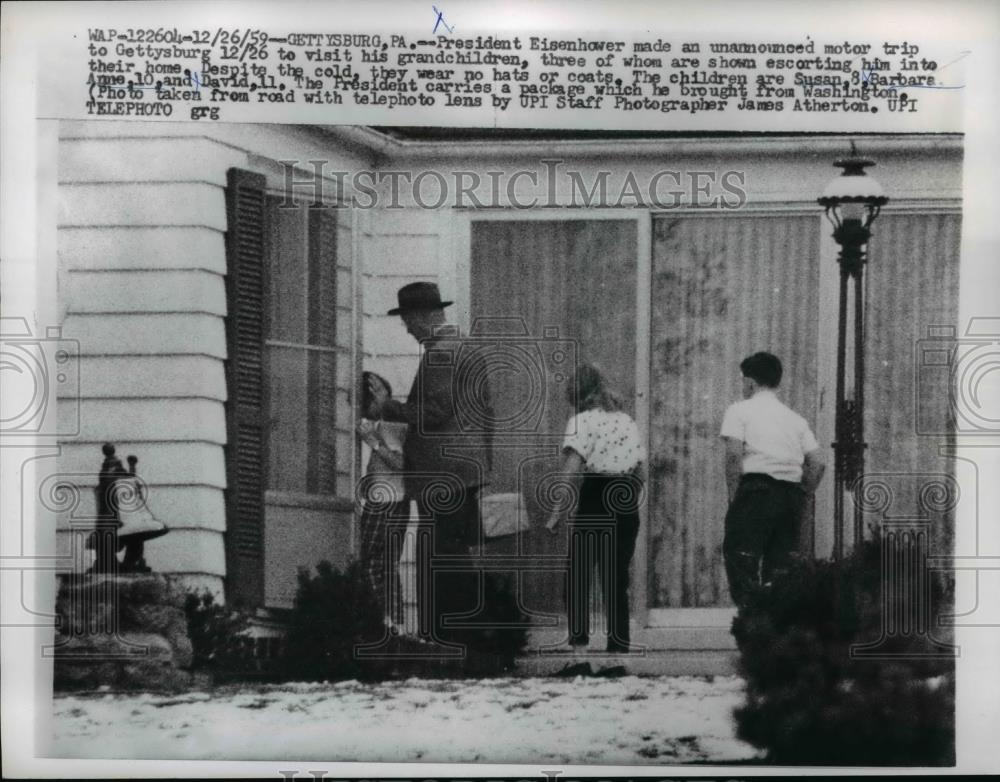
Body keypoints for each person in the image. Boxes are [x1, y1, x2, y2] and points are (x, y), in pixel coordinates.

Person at [366, 282, 493, 645]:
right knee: (455, 556)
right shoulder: (467, 348)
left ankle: (446, 639)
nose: (407, 329)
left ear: (422, 317)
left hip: (442, 473)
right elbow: (486, 415)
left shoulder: (441, 353)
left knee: (440, 556)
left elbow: (435, 413)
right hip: (464, 471)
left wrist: (386, 406)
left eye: (408, 320)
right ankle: (463, 637)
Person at [546, 363, 646, 654]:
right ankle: (618, 657)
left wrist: (555, 514)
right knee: (616, 581)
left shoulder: (581, 421)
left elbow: (571, 471)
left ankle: (580, 655)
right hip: (625, 498)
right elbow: (641, 472)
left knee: (578, 578)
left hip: (596, 496)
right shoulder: (626, 421)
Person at [720, 352, 826, 608]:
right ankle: (773, 635)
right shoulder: (795, 419)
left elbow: (734, 456)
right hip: (789, 496)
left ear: (750, 383)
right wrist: (803, 493)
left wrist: (736, 497)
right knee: (780, 570)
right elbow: (818, 463)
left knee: (741, 560)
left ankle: (751, 624)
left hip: (755, 492)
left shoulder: (739, 410)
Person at [356, 371, 409, 632]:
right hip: (395, 502)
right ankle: (395, 623)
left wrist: (374, 445)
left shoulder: (390, 426)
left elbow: (402, 463)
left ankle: (382, 622)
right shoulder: (385, 424)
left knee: (369, 562)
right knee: (387, 565)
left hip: (386, 503)